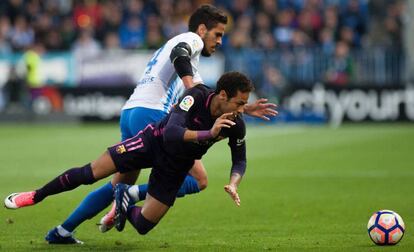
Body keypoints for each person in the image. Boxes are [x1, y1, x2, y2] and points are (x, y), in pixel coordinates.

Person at [4, 5, 277, 244]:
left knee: (111, 182)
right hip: (151, 115)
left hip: (132, 110)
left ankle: (62, 230)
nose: (219, 41)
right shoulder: (190, 39)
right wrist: (191, 87)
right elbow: (180, 57)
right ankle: (131, 196)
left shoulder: (190, 60)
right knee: (199, 179)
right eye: (217, 34)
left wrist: (242, 106)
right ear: (202, 29)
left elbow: (215, 96)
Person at [5, 71, 254, 239]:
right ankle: (36, 195)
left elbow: (239, 159)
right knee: (90, 173)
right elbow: (171, 132)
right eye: (240, 104)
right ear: (223, 96)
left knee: (144, 225)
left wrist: (234, 183)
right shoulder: (196, 96)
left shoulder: (236, 122)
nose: (243, 110)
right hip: (151, 143)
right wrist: (208, 133)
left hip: (175, 166)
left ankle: (125, 200)